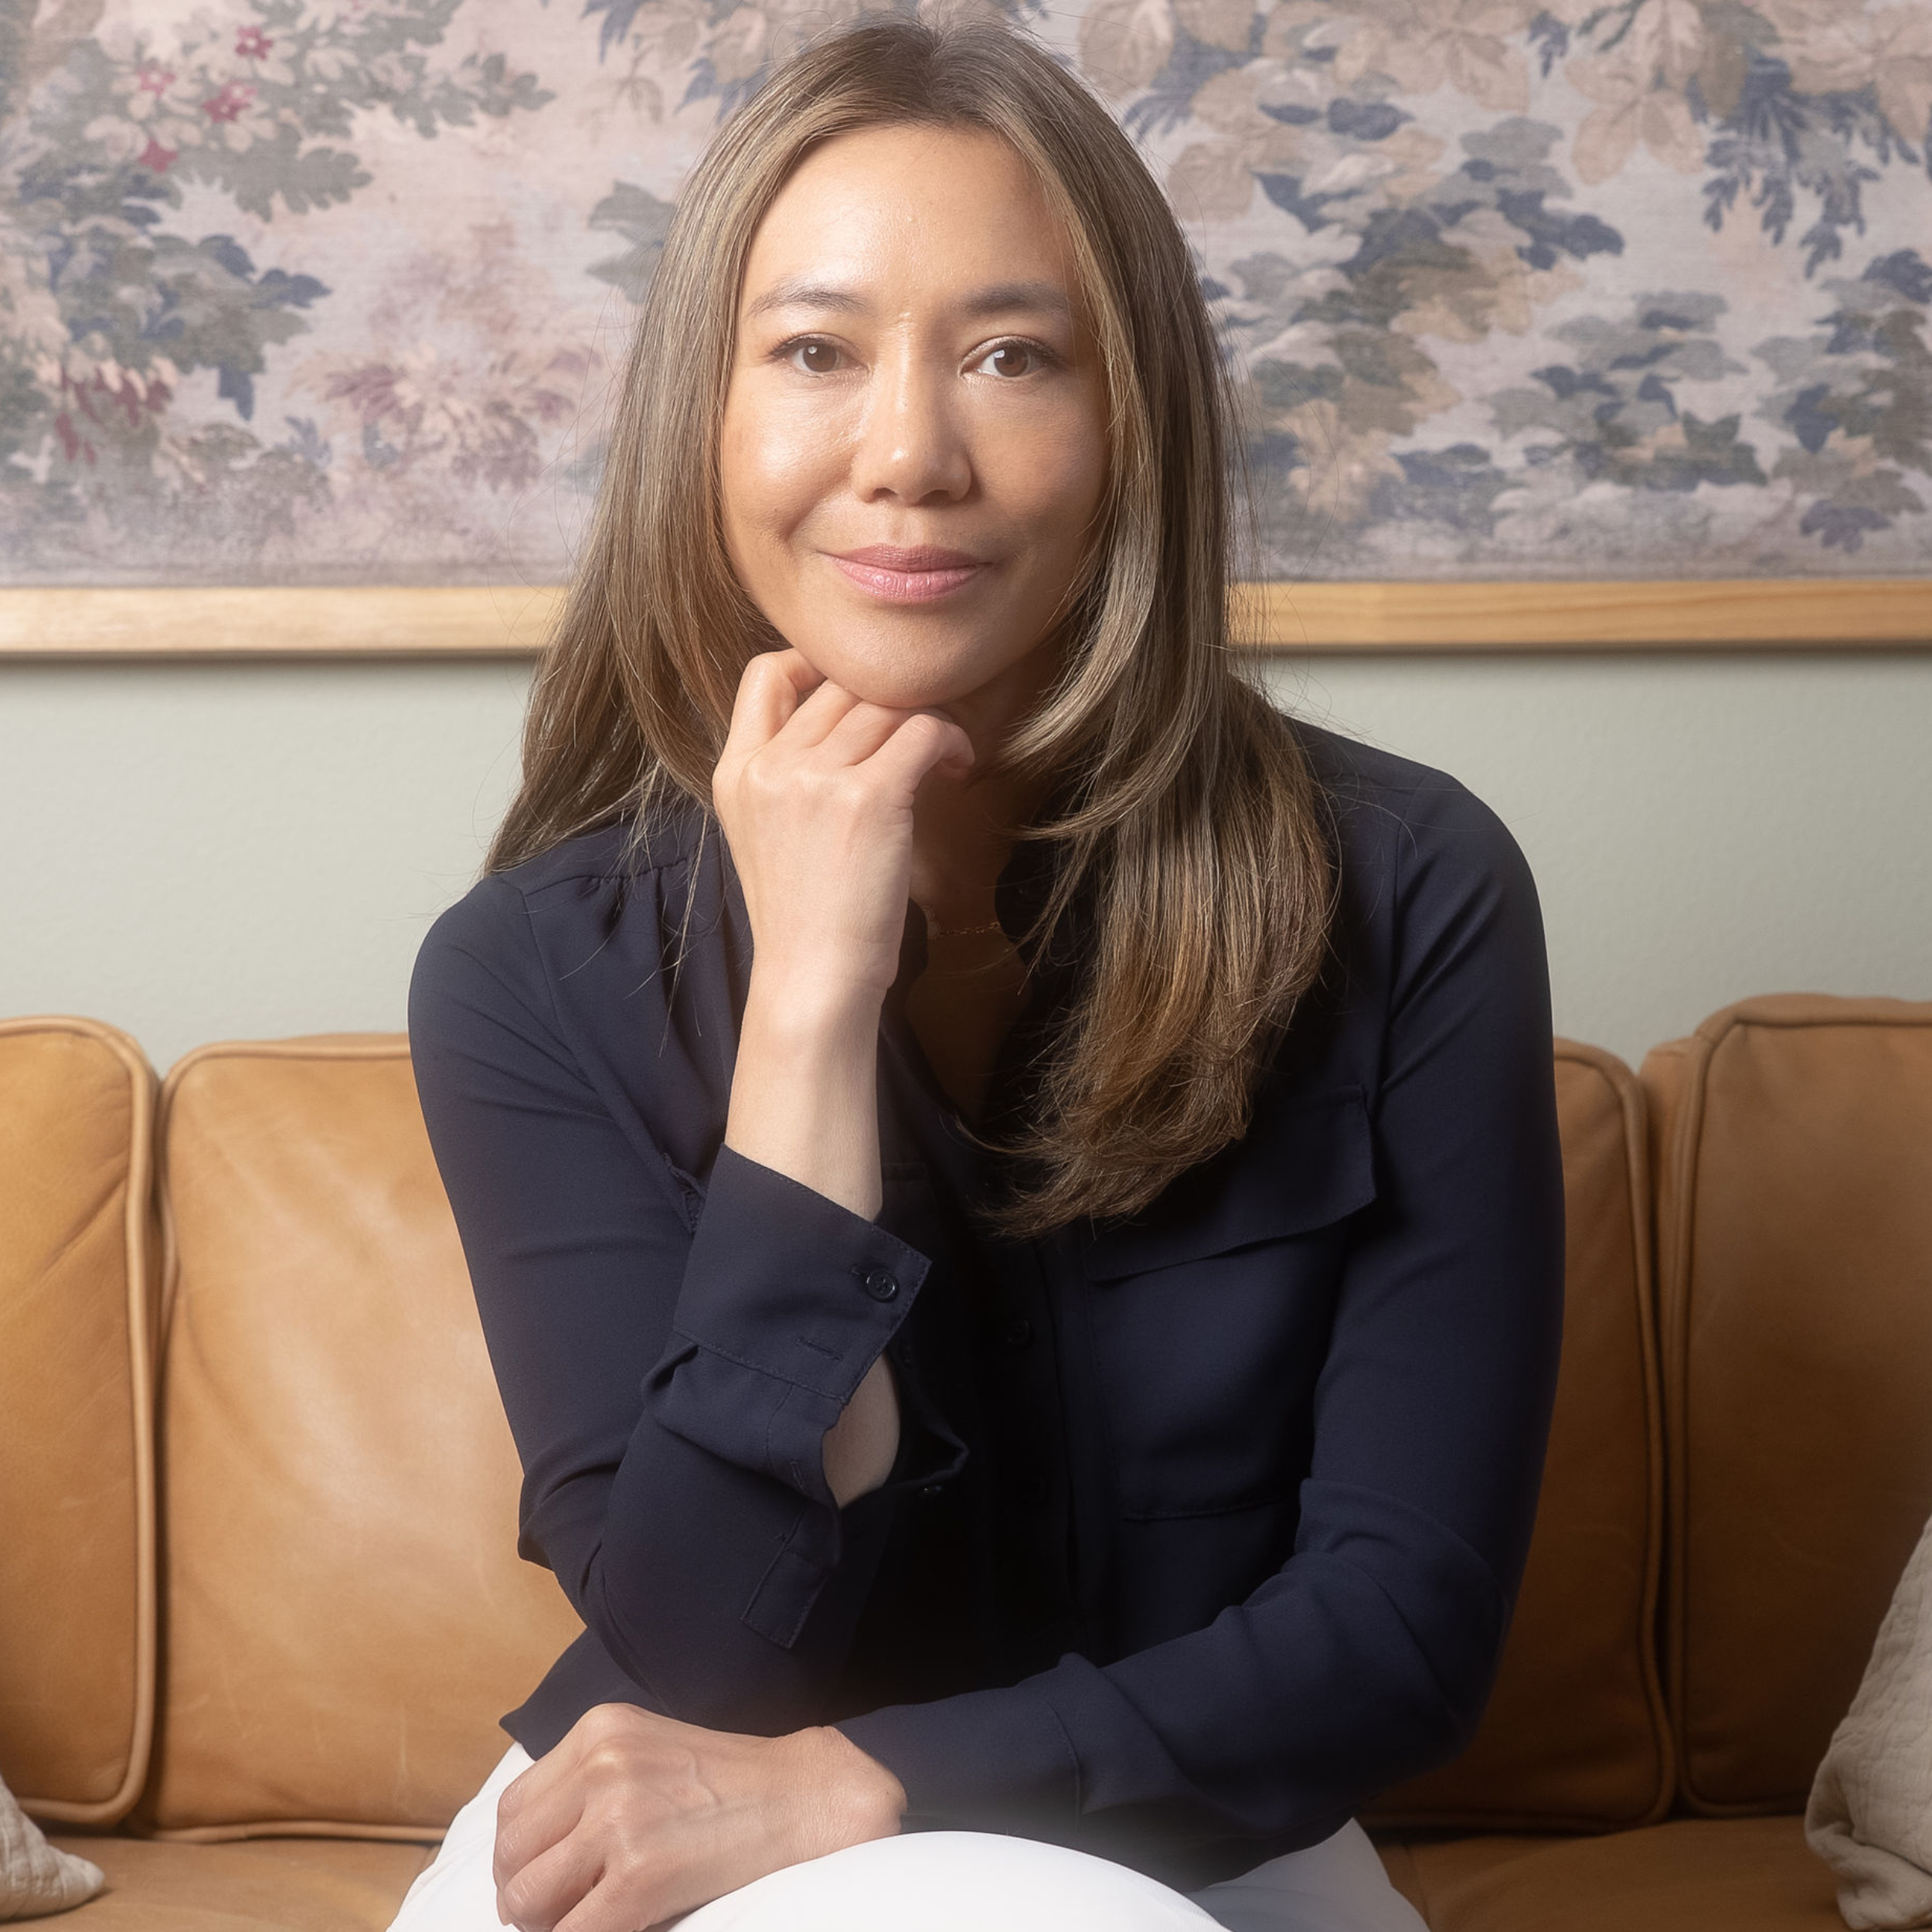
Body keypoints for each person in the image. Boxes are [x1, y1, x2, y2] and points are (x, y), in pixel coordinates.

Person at [395, 14, 1566, 1931]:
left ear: (1133, 425)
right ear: (710, 416)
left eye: (1011, 354)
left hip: (1189, 1834)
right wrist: (808, 1011)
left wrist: (866, 1787)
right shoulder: (527, 973)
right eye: (813, 353)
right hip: (661, 1820)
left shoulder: (1411, 888)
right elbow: (699, 1652)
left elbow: (1398, 1626)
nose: (908, 454)